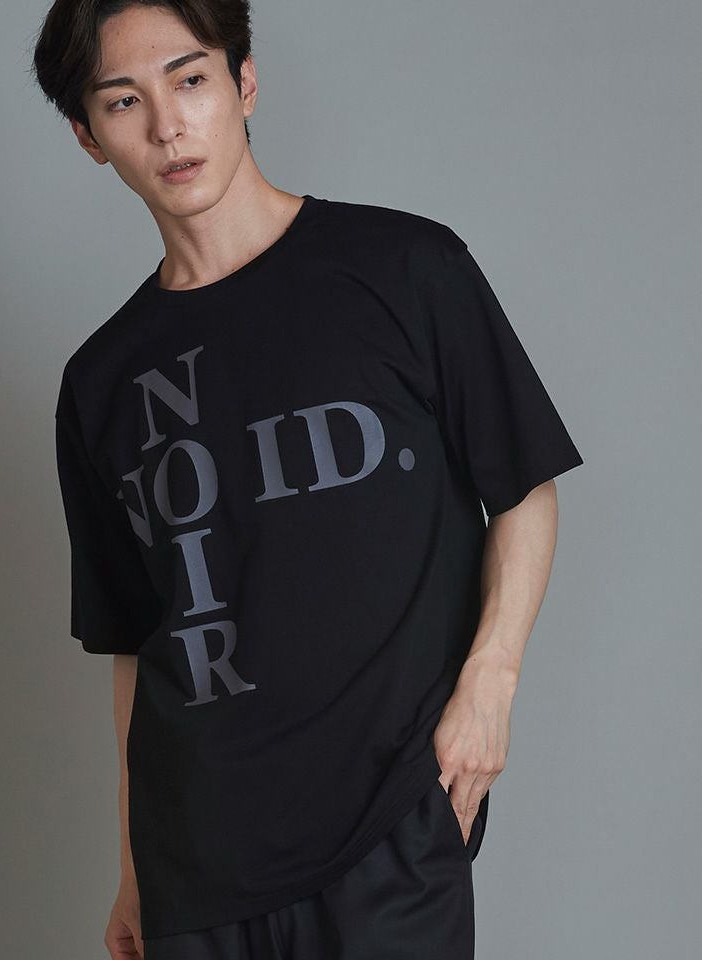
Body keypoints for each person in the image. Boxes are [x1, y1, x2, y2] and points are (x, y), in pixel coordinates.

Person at [32, 2, 584, 957]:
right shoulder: (99, 381)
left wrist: (489, 686)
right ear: (88, 137)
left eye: (189, 79)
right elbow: (135, 642)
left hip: (386, 831)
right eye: (123, 101)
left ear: (244, 82)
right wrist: (132, 865)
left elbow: (524, 486)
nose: (167, 126)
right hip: (193, 865)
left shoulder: (405, 268)